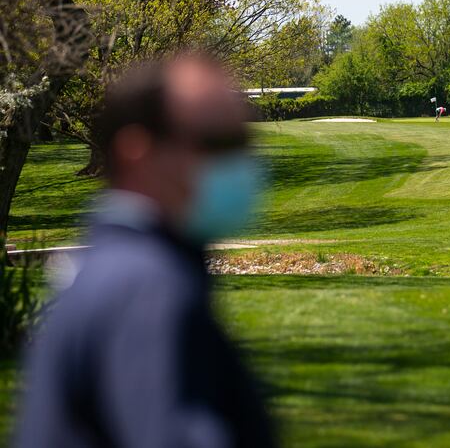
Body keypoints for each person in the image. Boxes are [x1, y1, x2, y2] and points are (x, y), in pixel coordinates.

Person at [15, 53, 276, 448]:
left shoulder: (109, 272)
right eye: (217, 142)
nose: (239, 162)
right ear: (137, 151)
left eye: (242, 141)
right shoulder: (148, 290)